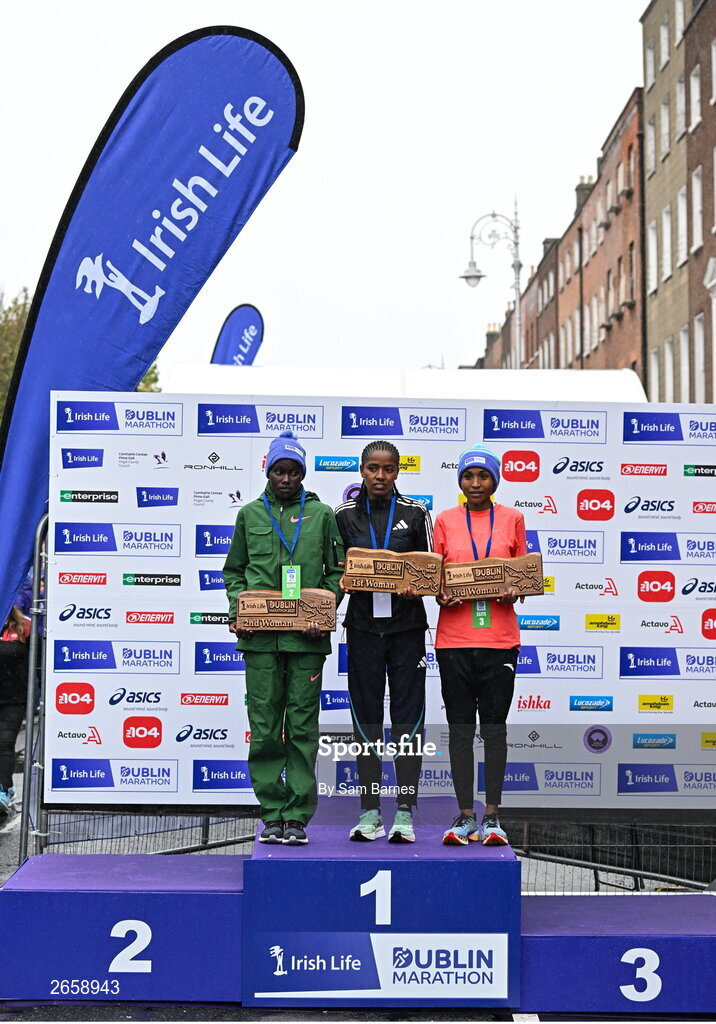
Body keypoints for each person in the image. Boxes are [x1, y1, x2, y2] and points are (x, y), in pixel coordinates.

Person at [223, 430, 344, 846]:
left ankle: (297, 816)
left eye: (294, 471)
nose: (287, 478)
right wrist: (240, 609)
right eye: (279, 470)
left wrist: (322, 610)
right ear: (268, 472)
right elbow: (234, 572)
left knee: (303, 728)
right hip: (260, 643)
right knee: (264, 728)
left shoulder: (323, 514)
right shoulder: (250, 515)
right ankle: (271, 813)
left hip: (306, 642)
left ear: (303, 474)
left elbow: (336, 572)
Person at [335, 440, 433, 843]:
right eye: (373, 468)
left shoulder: (415, 513)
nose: (380, 476)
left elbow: (432, 572)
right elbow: (334, 569)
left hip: (407, 629)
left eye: (388, 469)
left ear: (397, 471)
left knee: (409, 719)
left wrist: (418, 586)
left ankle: (406, 810)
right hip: (362, 631)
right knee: (366, 718)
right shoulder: (342, 516)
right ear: (361, 469)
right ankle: (370, 810)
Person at [433, 443, 526, 846]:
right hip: (453, 640)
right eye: (468, 476)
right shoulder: (445, 520)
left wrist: (513, 589)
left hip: (499, 640)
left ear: (494, 481)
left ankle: (493, 816)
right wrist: (441, 594)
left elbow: (525, 577)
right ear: (460, 481)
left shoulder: (513, 518)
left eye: (483, 476)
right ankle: (465, 814)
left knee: (494, 730)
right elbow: (432, 579)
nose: (475, 483)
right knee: (459, 731)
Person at [0, 603, 31, 814]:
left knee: (4, 744)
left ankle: (2, 790)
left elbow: (38, 661)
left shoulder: (25, 626)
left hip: (15, 699)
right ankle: (8, 785)